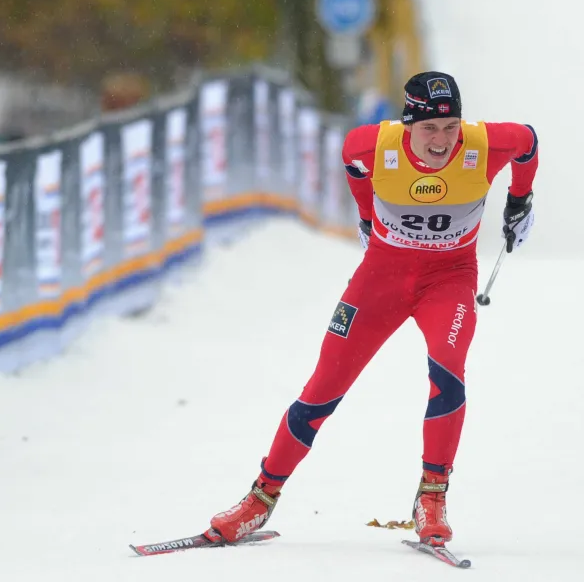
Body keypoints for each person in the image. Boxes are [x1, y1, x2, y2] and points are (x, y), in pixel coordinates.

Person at [204, 71, 539, 548]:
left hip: (449, 279)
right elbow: (352, 165)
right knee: (324, 387)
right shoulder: (370, 147)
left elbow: (528, 144)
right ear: (407, 126)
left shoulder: (486, 144)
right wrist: (366, 216)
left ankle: (432, 498)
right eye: (429, 129)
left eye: (450, 127)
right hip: (381, 278)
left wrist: (519, 202)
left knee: (448, 368)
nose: (442, 140)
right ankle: (259, 501)